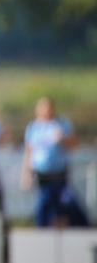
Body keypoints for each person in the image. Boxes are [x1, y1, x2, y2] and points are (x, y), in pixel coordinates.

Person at [20, 96, 88, 227]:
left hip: (59, 174)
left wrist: (62, 138)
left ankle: (82, 229)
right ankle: (42, 232)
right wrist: (26, 174)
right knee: (44, 205)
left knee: (67, 204)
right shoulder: (34, 127)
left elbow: (73, 145)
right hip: (42, 175)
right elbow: (29, 152)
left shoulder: (61, 124)